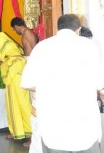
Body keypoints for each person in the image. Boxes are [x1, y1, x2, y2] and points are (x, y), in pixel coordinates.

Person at [21, 13, 104, 153]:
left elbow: (26, 83)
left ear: (57, 29)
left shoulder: (42, 47)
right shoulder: (89, 46)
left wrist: (47, 87)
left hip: (53, 126)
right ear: (78, 29)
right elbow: (100, 84)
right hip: (84, 126)